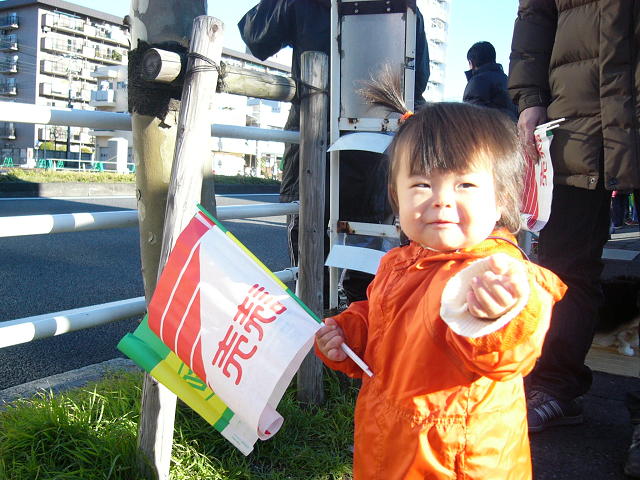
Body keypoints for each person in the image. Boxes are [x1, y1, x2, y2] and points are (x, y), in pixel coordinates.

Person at [314, 91, 567, 477]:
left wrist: (495, 317)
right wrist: (350, 333)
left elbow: (509, 353)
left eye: (465, 185)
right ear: (396, 196)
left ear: (501, 199)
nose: (441, 200)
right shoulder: (399, 262)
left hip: (457, 459)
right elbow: (384, 321)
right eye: (421, 184)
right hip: (387, 440)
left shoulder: (497, 273)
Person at [238, 0, 430, 305]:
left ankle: (317, 328)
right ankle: (361, 329)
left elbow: (255, 36)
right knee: (368, 281)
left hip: (313, 152)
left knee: (311, 276)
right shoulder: (405, 8)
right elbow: (417, 80)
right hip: (376, 156)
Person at [509, 1, 640, 436]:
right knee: (560, 269)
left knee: (566, 267)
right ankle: (553, 384)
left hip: (582, 112)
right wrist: (530, 98)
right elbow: (535, 14)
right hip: (577, 119)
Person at [463, 41, 517, 120]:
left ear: (471, 63)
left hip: (490, 127)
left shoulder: (477, 82)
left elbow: (471, 119)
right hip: (512, 126)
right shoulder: (508, 81)